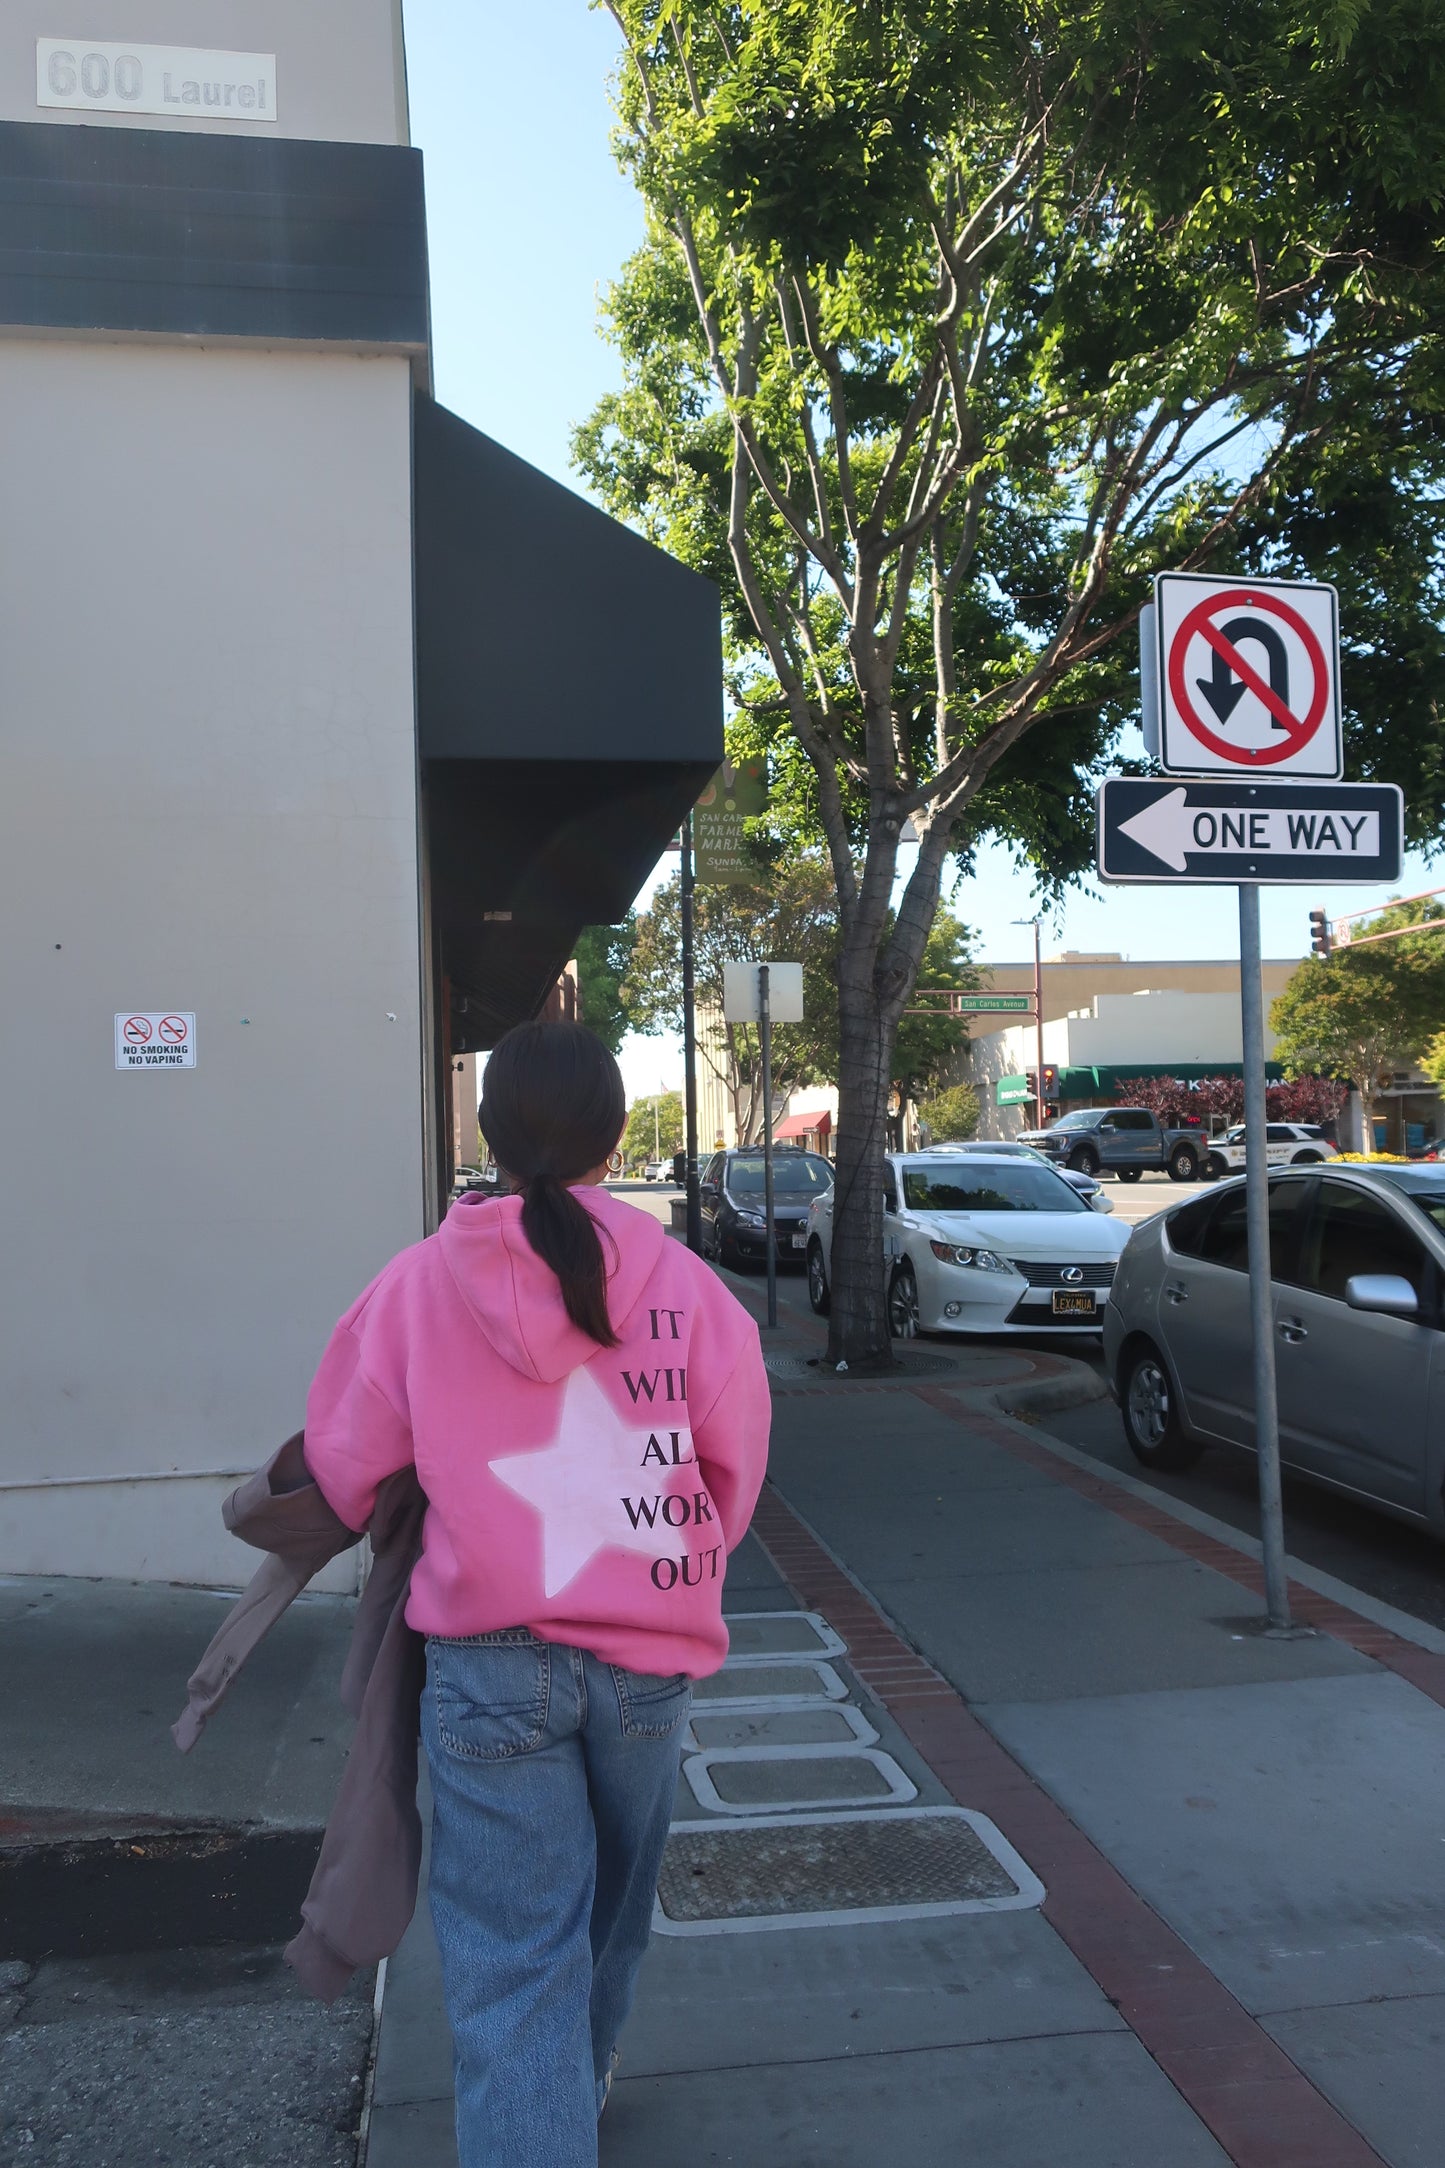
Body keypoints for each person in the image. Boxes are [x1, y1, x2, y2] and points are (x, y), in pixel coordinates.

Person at [303, 1020, 771, 2167]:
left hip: (487, 1666)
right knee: (610, 1912)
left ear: (488, 1132)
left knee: (515, 1963)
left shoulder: (412, 1287)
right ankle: (583, 2082)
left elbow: (342, 1465)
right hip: (652, 1655)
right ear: (616, 1136)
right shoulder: (693, 1289)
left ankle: (543, 2107)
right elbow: (733, 1471)